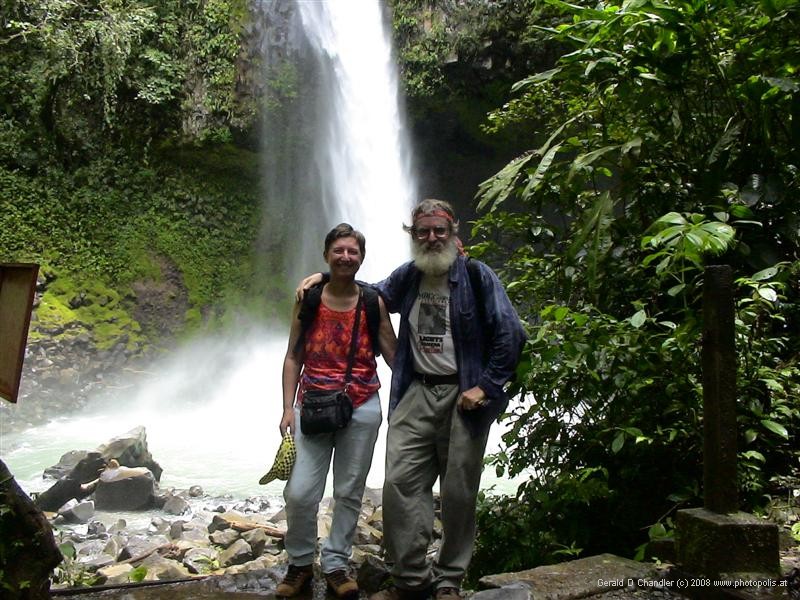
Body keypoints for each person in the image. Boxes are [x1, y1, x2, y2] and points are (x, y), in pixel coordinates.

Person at [299, 200, 526, 600]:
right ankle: (411, 581)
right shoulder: (409, 276)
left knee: (458, 490)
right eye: (423, 231)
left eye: (440, 230)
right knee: (400, 484)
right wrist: (324, 276)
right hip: (415, 390)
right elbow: (366, 295)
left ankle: (449, 580)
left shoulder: (476, 276)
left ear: (454, 231)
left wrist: (487, 387)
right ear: (413, 235)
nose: (432, 238)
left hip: (463, 395)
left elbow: (511, 334)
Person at [278, 223, 396, 599]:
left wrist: (427, 391)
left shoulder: (372, 302)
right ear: (327, 254)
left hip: (361, 405)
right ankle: (298, 563)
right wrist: (286, 408)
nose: (347, 257)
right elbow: (293, 353)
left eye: (353, 252)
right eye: (339, 251)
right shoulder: (309, 297)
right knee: (299, 492)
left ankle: (335, 564)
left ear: (361, 258)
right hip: (312, 405)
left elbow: (393, 355)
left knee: (348, 491)